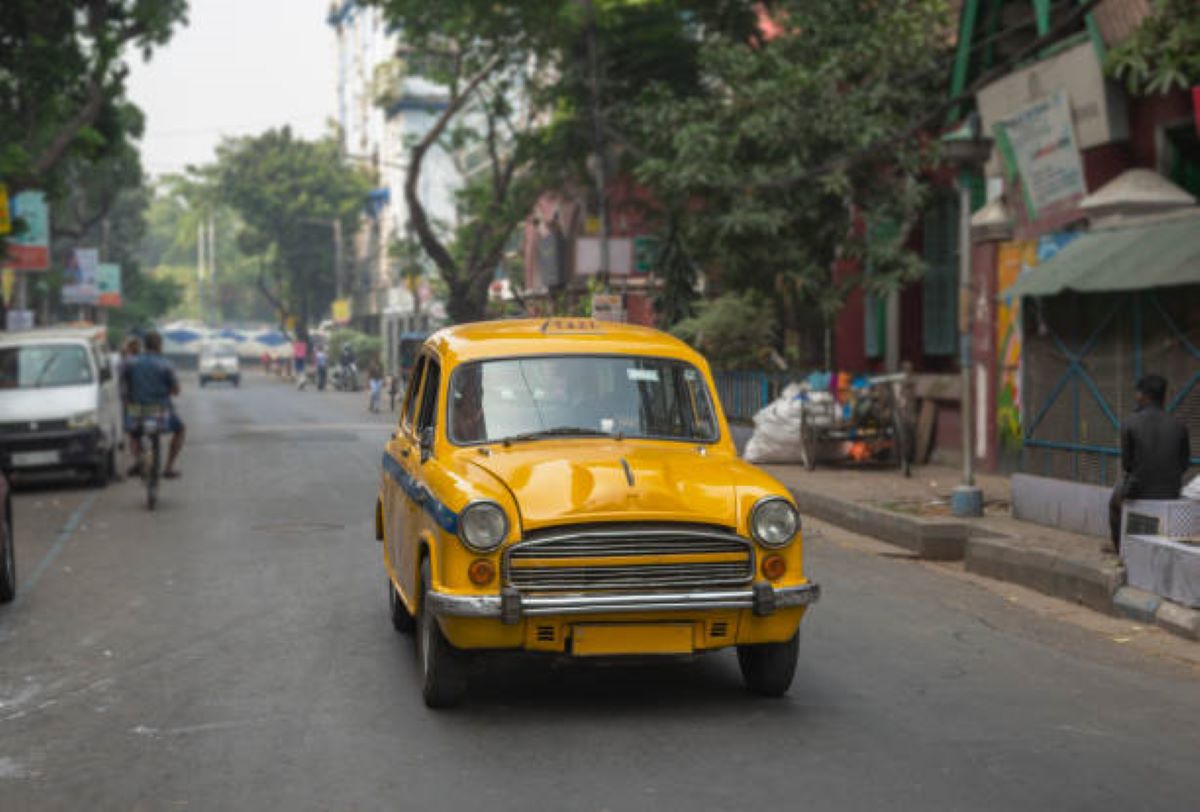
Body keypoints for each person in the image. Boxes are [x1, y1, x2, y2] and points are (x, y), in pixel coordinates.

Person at [1108, 374, 1191, 554]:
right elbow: (1184, 464)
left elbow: (1127, 465)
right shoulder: (1179, 425)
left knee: (1115, 501)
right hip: (1171, 490)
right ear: (1163, 396)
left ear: (1142, 396)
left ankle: (1119, 548)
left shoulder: (1130, 423)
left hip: (1139, 490)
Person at [123, 331, 186, 479]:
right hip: (160, 411)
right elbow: (176, 391)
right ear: (159, 345)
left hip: (137, 410)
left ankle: (138, 460)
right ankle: (168, 467)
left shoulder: (131, 363)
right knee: (181, 430)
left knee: (134, 434)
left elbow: (125, 384)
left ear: (145, 346)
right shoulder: (166, 364)